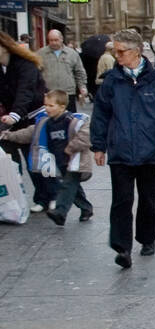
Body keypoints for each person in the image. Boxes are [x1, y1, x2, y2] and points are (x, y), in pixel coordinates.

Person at [90, 29, 155, 269]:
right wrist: (99, 145)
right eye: (115, 51)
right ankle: (122, 247)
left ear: (136, 52)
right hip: (120, 150)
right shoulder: (112, 80)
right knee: (121, 201)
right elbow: (101, 114)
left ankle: (147, 238)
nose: (117, 56)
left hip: (150, 150)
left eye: (120, 52)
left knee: (148, 198)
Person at [0, 89, 94, 224]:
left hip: (74, 162)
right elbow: (28, 134)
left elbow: (85, 137)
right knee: (73, 188)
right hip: (58, 162)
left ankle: (60, 213)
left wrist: (70, 147)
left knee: (67, 185)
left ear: (62, 107)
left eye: (51, 106)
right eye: (45, 105)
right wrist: (7, 135)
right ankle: (86, 208)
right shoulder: (45, 123)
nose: (47, 109)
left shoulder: (72, 121)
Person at [0, 32, 48, 210]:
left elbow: (25, 92)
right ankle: (14, 198)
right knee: (10, 162)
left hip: (31, 117)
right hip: (9, 119)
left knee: (33, 160)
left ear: (4, 47)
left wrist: (15, 114)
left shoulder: (25, 65)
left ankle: (44, 198)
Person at [36, 29, 88, 115]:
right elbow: (36, 73)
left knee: (69, 119)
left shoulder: (72, 53)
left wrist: (82, 86)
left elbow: (79, 72)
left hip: (67, 94)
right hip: (49, 94)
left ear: (61, 39)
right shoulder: (41, 53)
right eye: (51, 40)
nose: (53, 43)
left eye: (56, 40)